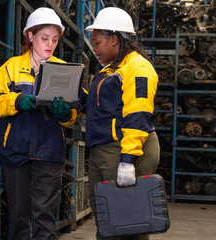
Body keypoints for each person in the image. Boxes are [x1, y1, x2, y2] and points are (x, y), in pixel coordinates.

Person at [0, 7, 77, 240]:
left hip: (49, 154)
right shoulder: (11, 68)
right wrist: (16, 100)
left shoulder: (64, 71)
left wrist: (64, 113)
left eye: (55, 40)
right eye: (45, 38)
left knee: (45, 216)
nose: (50, 44)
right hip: (16, 152)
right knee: (18, 216)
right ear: (30, 36)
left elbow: (74, 115)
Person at [81, 7, 160, 240]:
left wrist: (128, 161)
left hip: (125, 148)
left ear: (114, 39)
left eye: (97, 42)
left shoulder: (138, 68)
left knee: (128, 225)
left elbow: (138, 115)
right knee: (108, 222)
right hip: (105, 149)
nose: (94, 48)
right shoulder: (111, 69)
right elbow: (104, 108)